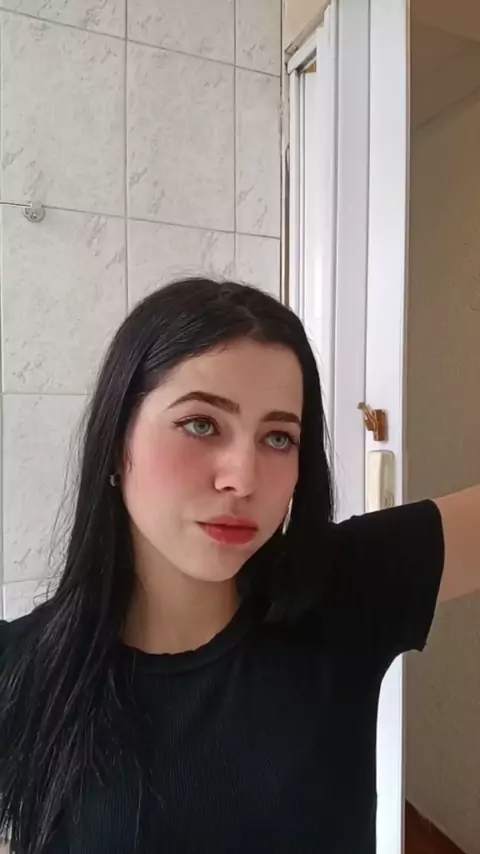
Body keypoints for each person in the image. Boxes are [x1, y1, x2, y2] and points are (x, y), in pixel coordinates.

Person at [0, 278, 478, 854]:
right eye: (201, 424)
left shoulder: (342, 587)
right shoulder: (19, 675)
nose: (243, 479)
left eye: (278, 437)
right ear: (117, 443)